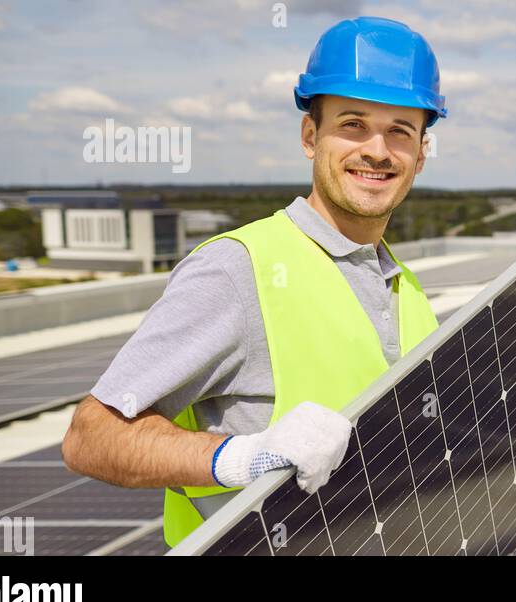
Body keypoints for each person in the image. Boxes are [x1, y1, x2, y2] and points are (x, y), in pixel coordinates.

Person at [62, 17, 446, 548]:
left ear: (421, 153)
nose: (377, 150)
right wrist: (245, 457)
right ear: (311, 136)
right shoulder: (238, 269)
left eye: (400, 131)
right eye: (353, 124)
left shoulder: (406, 287)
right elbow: (92, 438)